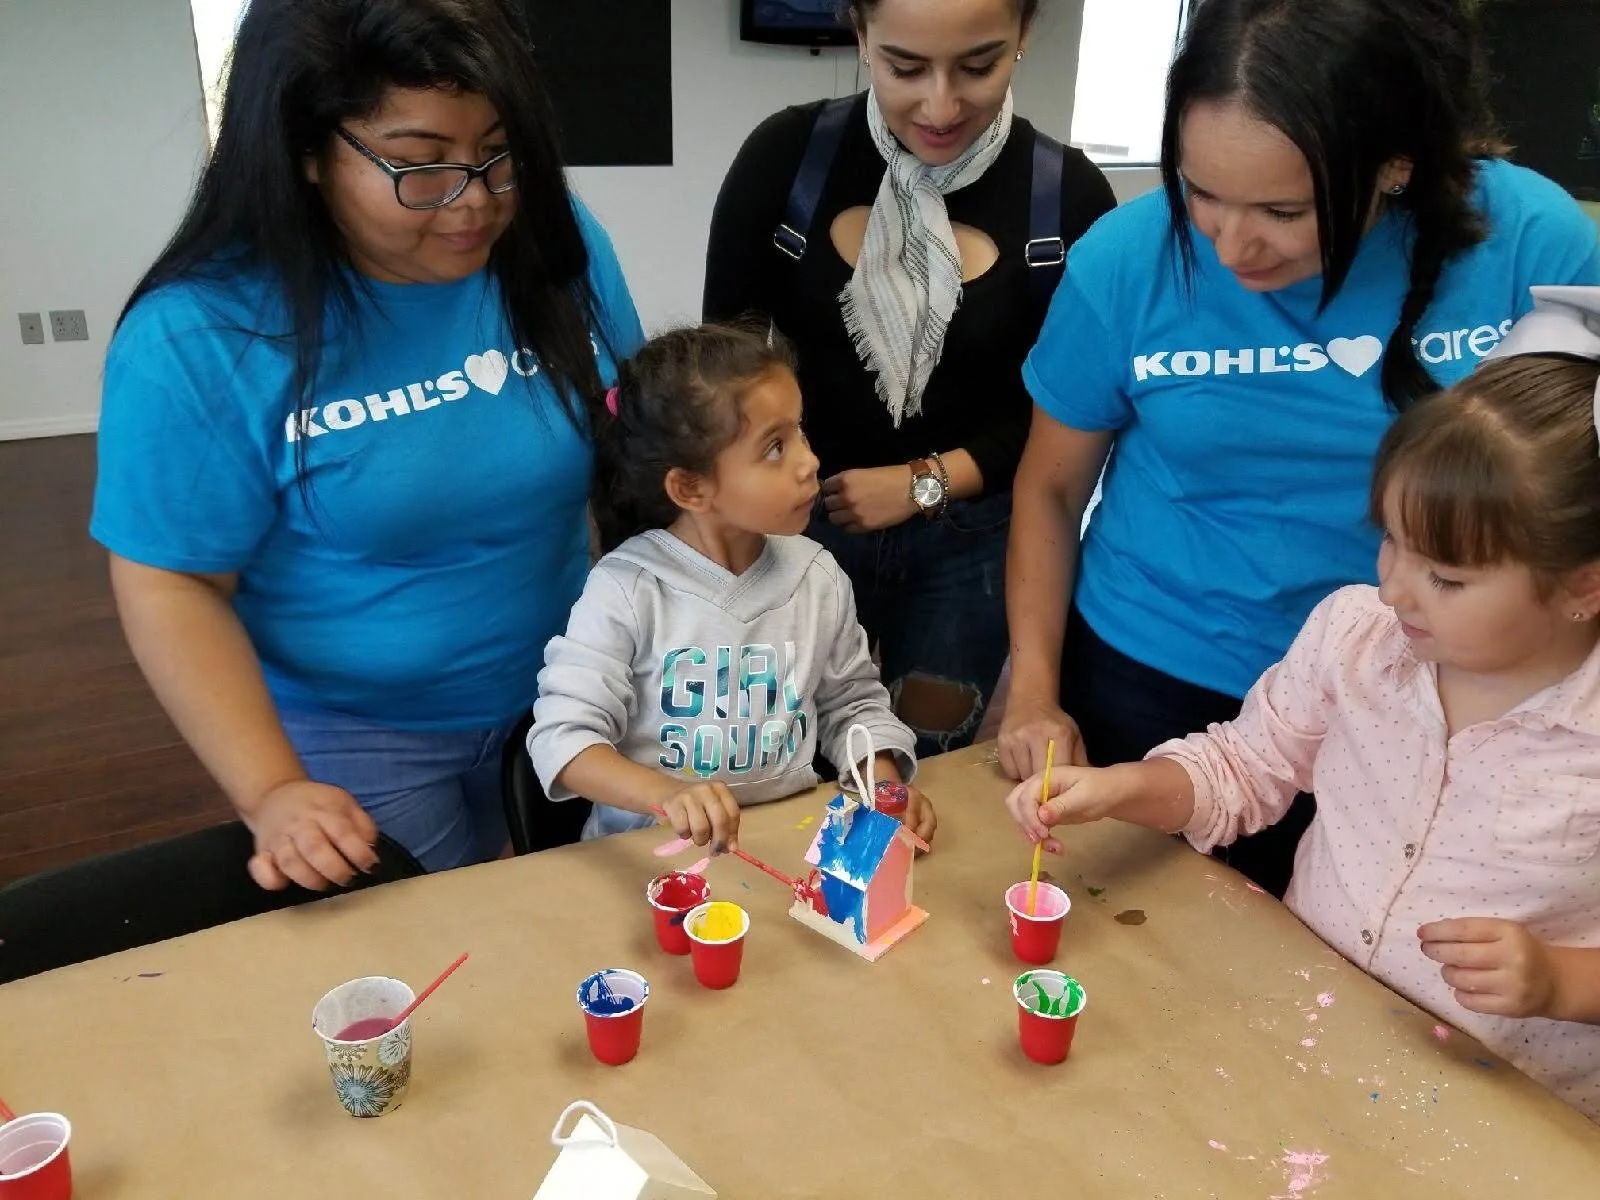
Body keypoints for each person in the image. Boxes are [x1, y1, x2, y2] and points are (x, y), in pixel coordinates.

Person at [1000, 0, 1600, 896]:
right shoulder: (1125, 260)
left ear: (1395, 165)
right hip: (1153, 677)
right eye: (1199, 192)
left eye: (1283, 209)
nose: (1231, 245)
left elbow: (1579, 495)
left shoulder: (1533, 244)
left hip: (1422, 697)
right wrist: (1035, 692)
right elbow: (1050, 492)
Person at [1005, 288, 1600, 1120]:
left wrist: (1561, 979)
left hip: (1503, 1108)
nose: (1395, 585)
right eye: (1391, 541)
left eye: (1448, 578)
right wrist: (1125, 789)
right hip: (1306, 1038)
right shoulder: (1357, 637)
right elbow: (1245, 765)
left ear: (1584, 583)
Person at [91, 0, 644, 891]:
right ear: (305, 152)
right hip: (354, 733)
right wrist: (271, 790)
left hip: (571, 692)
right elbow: (173, 579)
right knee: (434, 968)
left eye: (499, 152)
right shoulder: (203, 336)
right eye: (420, 167)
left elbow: (631, 431)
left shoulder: (551, 244)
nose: (475, 201)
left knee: (570, 923)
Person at [704, 0, 1115, 761]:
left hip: (977, 541)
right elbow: (718, 372)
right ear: (858, 32)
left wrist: (926, 481)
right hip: (802, 523)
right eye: (903, 67)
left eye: (978, 65)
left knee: (925, 755)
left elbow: (1065, 418)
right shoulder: (789, 158)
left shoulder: (1067, 195)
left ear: (1025, 34)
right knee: (784, 747)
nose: (940, 105)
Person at [526, 323, 936, 850]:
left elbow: (853, 706)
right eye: (773, 448)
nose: (809, 461)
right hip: (654, 857)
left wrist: (882, 783)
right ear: (692, 487)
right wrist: (667, 794)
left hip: (785, 847)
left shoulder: (817, 576)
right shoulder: (625, 590)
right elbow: (564, 739)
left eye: (800, 432)